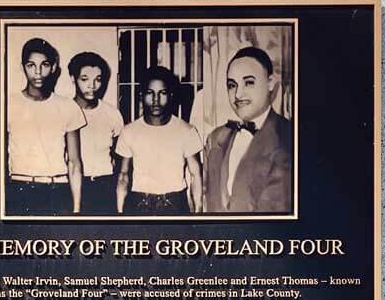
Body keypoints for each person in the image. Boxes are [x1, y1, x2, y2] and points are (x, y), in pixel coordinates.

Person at [202, 46, 293, 214]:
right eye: (231, 85)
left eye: (249, 82)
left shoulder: (290, 137)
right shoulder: (215, 138)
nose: (238, 94)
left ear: (270, 83)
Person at [7, 37, 85, 215]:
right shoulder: (8, 105)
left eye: (44, 65)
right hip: (19, 189)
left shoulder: (67, 107)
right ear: (22, 67)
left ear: (54, 67)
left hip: (56, 191)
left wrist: (76, 209)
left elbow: (74, 163)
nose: (38, 72)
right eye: (31, 65)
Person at [115, 67, 203, 215]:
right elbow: (123, 175)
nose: (156, 100)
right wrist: (120, 213)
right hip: (139, 205)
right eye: (150, 93)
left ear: (171, 95)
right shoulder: (128, 131)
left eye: (162, 93)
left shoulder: (187, 131)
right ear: (142, 95)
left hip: (175, 205)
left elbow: (196, 175)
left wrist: (198, 213)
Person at [67, 50, 124, 215]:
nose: (92, 85)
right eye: (85, 79)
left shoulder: (112, 114)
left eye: (98, 80)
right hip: (71, 186)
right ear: (73, 78)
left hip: (105, 186)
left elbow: (120, 158)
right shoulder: (63, 111)